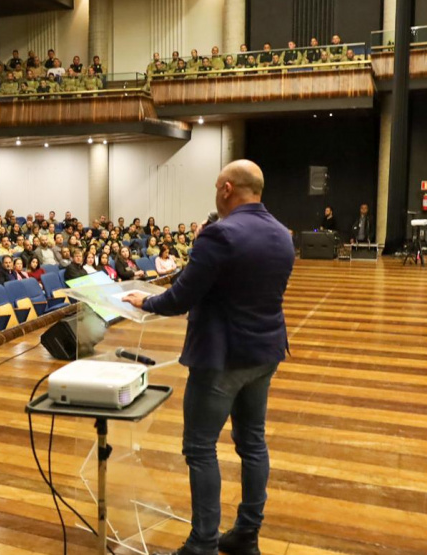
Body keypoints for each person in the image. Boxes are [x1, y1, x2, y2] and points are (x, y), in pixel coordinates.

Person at [123, 160, 295, 555]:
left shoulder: (219, 235)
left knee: (200, 448)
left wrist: (144, 300)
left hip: (221, 357)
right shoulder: (283, 235)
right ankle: (246, 535)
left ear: (226, 188)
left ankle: (201, 543)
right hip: (264, 352)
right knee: (252, 442)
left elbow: (180, 297)